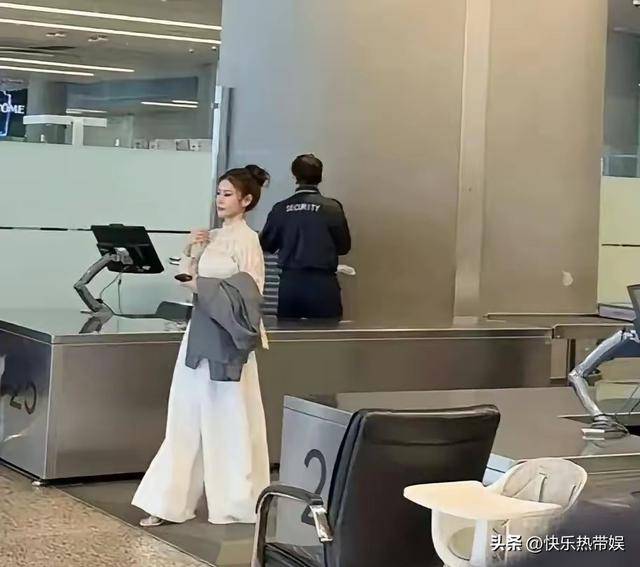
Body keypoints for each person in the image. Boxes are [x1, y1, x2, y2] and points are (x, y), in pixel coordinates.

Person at [132, 165, 271, 526]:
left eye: (228, 194)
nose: (220, 200)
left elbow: (250, 293)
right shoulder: (213, 236)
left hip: (227, 340)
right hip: (199, 333)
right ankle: (168, 502)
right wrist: (190, 250)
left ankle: (238, 501)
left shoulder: (247, 240)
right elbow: (188, 279)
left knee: (230, 419)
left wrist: (200, 287)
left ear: (246, 200)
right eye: (219, 193)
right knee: (185, 416)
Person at [260, 154, 351, 319]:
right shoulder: (332, 208)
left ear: (295, 176)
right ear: (320, 176)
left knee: (289, 333)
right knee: (327, 333)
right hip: (323, 285)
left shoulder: (280, 208)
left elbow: (266, 244)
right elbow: (344, 247)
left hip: (290, 285)